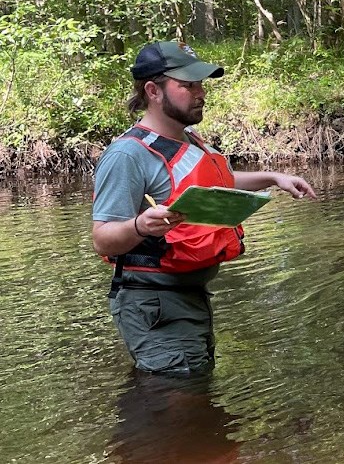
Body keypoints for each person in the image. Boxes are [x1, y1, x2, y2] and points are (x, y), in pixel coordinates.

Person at [92, 41, 316, 376]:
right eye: (188, 85)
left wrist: (272, 177)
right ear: (153, 90)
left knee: (188, 398)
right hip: (154, 302)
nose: (200, 93)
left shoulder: (189, 139)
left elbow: (215, 182)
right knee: (176, 399)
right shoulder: (128, 155)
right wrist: (140, 225)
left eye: (201, 84)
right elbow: (102, 239)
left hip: (187, 295)